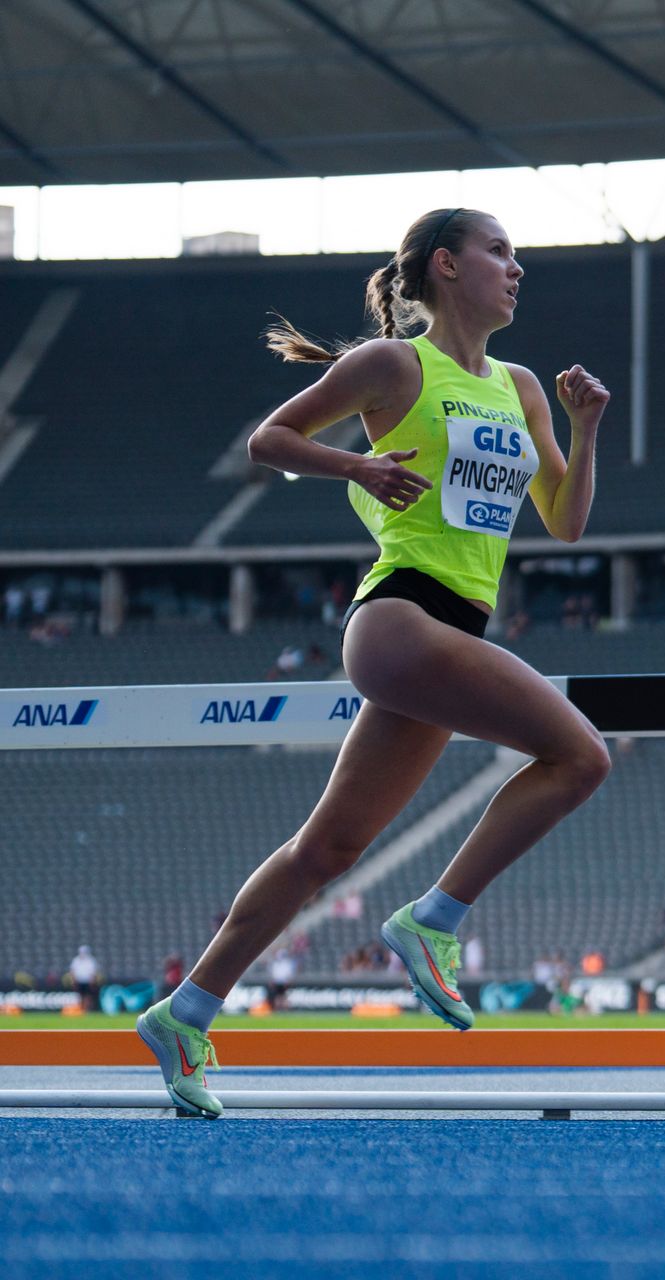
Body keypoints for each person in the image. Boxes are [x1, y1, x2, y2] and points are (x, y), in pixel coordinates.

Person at [134, 208, 612, 1119]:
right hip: (400, 618)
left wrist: (585, 433)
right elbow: (268, 440)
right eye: (499, 253)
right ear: (446, 266)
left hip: (452, 635)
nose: (518, 269)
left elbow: (566, 519)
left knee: (328, 848)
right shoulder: (396, 364)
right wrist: (356, 472)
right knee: (582, 757)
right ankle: (433, 919)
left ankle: (185, 1009)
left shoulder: (520, 387)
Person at [68, 945, 99, 1013]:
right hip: (79, 981)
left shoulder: (91, 960)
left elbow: (93, 972)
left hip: (87, 981)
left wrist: (92, 981)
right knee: (80, 996)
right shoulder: (76, 960)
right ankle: (82, 1009)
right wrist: (73, 980)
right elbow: (72, 971)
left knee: (88, 996)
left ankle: (87, 1009)